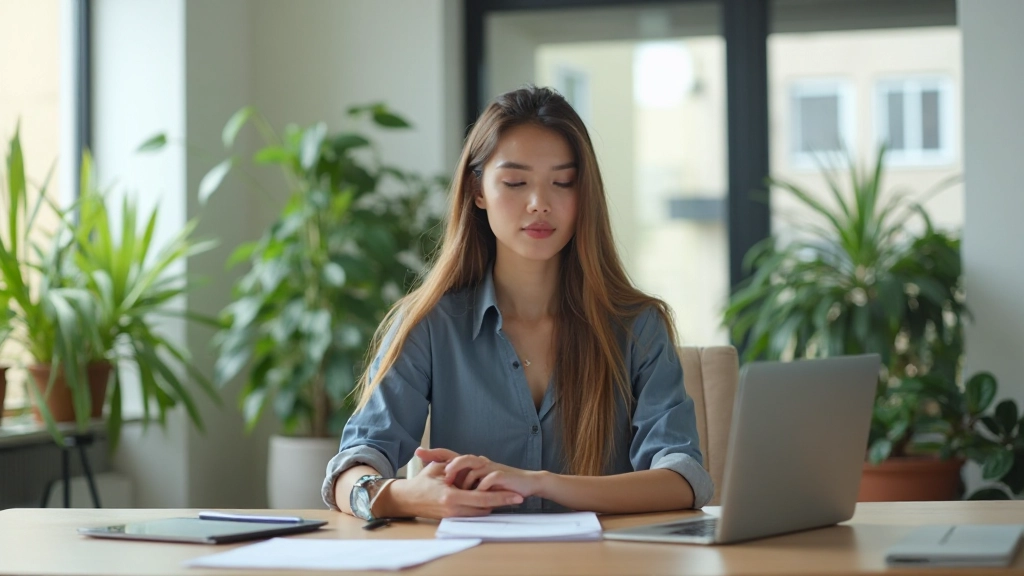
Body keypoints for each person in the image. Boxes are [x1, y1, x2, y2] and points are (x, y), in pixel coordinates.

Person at [322, 85, 713, 521]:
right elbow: (353, 468)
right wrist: (403, 496)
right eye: (515, 182)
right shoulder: (430, 323)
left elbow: (683, 479)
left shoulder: (637, 325)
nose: (539, 204)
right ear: (478, 191)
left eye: (562, 182)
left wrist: (538, 481)